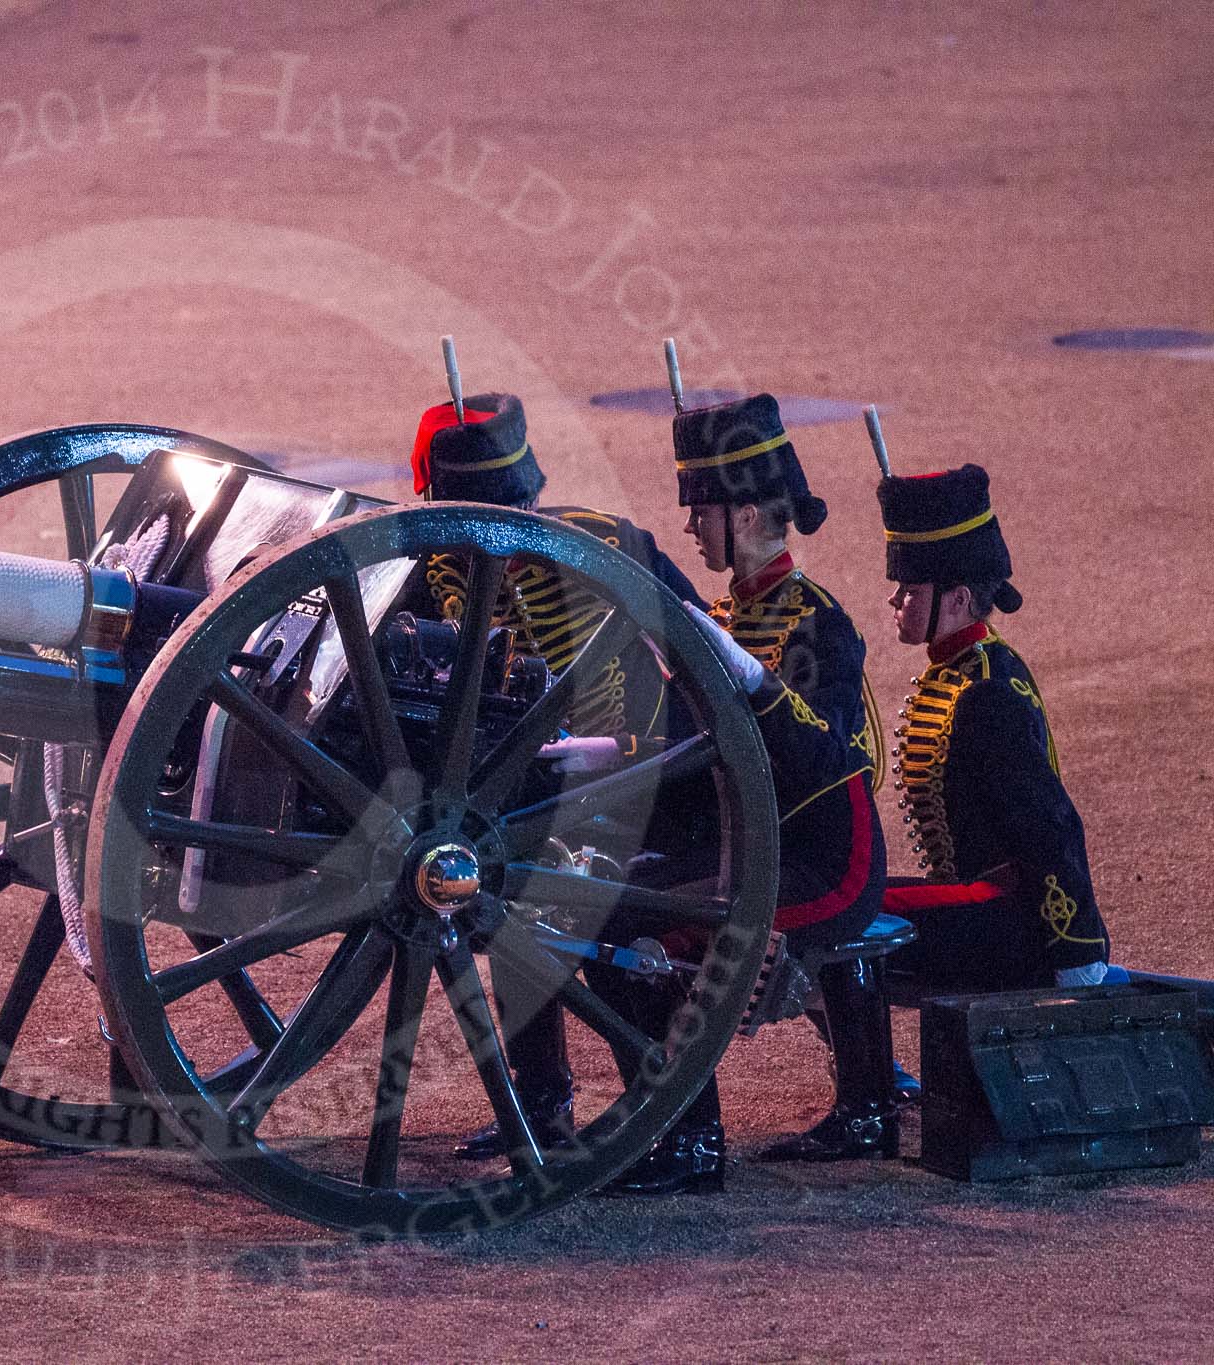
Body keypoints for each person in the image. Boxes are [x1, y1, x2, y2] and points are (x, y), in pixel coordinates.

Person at [405, 392, 708, 1162]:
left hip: (649, 791)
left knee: (603, 912)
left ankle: (680, 1126)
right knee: (503, 900)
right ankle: (541, 1109)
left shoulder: (606, 546)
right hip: (532, 796)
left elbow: (705, 654)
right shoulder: (438, 568)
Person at [671, 393, 905, 1164]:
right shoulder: (725, 612)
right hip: (754, 845)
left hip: (826, 853)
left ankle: (690, 1133)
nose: (690, 526)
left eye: (701, 508)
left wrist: (747, 678)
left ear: (744, 514)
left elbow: (829, 757)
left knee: (663, 930)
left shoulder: (818, 621)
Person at [876, 464, 1111, 994]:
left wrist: (1076, 949)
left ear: (957, 599)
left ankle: (871, 1077)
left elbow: (1048, 825)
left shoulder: (986, 691)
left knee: (846, 924)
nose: (894, 601)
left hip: (1009, 923)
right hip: (972, 902)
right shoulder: (963, 667)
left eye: (909, 589)